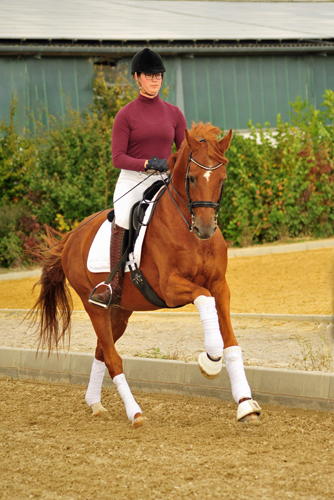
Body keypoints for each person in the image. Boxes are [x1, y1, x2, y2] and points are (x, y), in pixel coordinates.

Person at [89, 48, 187, 308]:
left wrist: (174, 166)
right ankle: (113, 284)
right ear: (136, 77)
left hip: (164, 180)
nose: (155, 80)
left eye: (159, 75)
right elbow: (117, 158)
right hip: (133, 180)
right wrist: (145, 163)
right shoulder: (126, 115)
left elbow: (184, 151)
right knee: (122, 215)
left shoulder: (174, 113)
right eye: (149, 75)